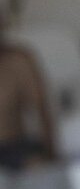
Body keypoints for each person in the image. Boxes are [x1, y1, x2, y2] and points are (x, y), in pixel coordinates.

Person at [0, 19, 56, 170]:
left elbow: (42, 112)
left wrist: (52, 158)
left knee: (36, 166)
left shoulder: (18, 61)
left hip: (13, 150)